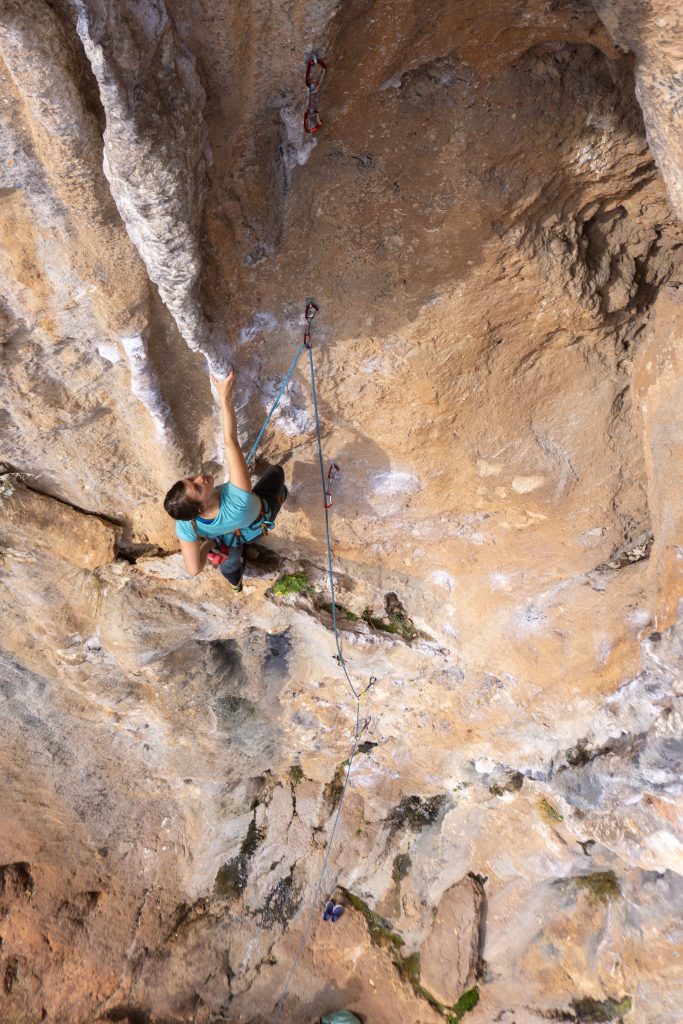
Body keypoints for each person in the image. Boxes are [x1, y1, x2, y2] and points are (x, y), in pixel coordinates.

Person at [163, 371, 287, 592]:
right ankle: (282, 496)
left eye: (191, 479)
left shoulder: (187, 520)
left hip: (227, 535)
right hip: (257, 520)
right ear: (199, 506)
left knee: (227, 550)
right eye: (198, 487)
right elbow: (230, 442)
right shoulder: (238, 500)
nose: (200, 478)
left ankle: (235, 582)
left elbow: (193, 569)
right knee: (276, 474)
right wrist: (224, 397)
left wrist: (209, 543)